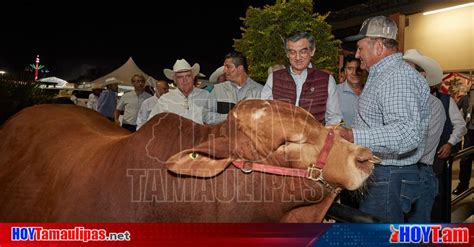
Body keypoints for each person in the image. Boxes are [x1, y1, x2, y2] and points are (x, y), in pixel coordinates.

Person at [337, 16, 431, 222]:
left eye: (360, 48)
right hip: (383, 175)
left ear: (378, 46)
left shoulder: (397, 76)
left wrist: (352, 135)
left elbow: (407, 133)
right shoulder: (382, 75)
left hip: (389, 176)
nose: (356, 54)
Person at [261, 31, 342, 125]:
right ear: (287, 54)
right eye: (292, 52)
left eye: (303, 52)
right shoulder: (274, 78)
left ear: (312, 51)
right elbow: (264, 113)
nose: (298, 57)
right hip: (281, 138)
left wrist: (322, 138)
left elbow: (334, 118)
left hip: (313, 138)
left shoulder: (326, 80)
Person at [402, 49, 446, 222]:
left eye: (408, 71)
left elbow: (422, 147)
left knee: (416, 230)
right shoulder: (401, 103)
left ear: (422, 75)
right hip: (400, 173)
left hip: (419, 173)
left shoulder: (434, 106)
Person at [204, 51, 263, 124]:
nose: (224, 70)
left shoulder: (260, 91)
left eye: (228, 67)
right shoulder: (217, 89)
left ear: (240, 68)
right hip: (224, 135)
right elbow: (205, 115)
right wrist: (229, 117)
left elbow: (265, 120)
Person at [148, 59, 209, 124]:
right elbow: (151, 122)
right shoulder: (165, 99)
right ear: (174, 79)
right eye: (180, 77)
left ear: (193, 77)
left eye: (188, 76)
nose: (185, 80)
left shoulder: (205, 95)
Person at [336, 54, 363, 128]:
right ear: (344, 71)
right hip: (342, 138)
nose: (354, 73)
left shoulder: (371, 91)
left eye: (358, 69)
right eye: (350, 68)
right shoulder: (335, 92)